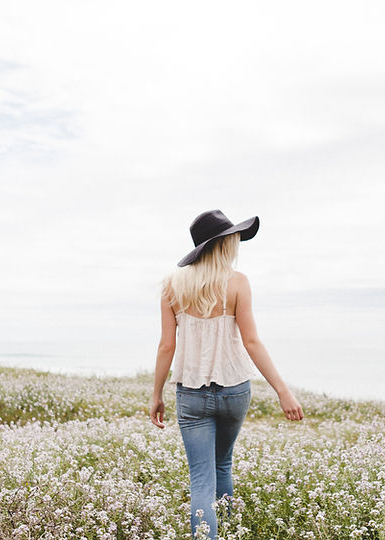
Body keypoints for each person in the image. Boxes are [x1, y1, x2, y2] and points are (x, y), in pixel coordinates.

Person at [150, 209, 304, 539]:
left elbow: (166, 346)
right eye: (234, 239)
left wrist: (157, 394)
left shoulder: (171, 286)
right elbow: (252, 341)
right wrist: (283, 391)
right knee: (223, 464)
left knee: (201, 477)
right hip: (235, 390)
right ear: (222, 244)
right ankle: (229, 530)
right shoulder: (237, 283)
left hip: (191, 394)